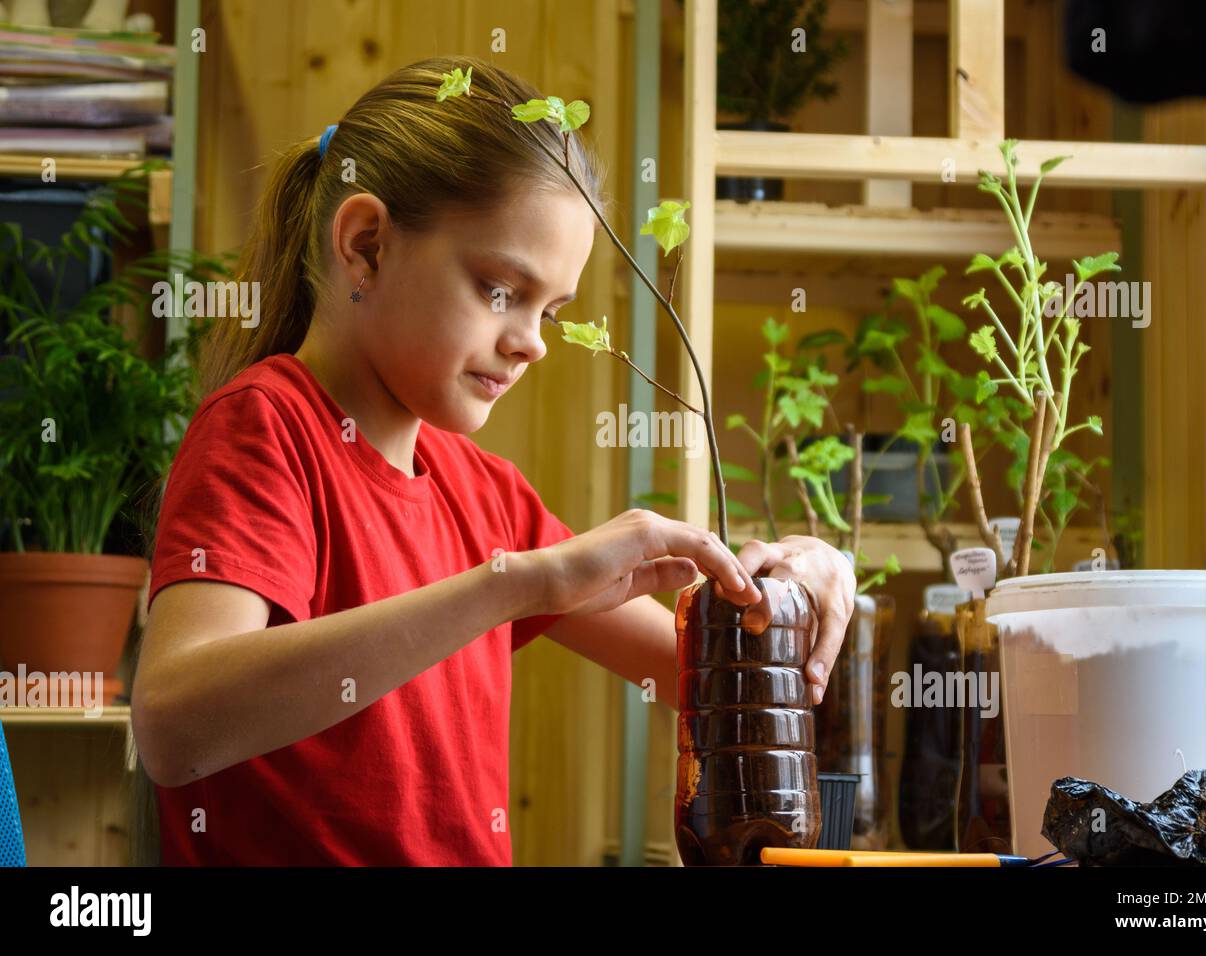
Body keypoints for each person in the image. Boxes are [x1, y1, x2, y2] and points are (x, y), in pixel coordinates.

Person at [130, 56, 856, 866]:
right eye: (502, 290)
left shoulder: (487, 497)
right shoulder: (265, 430)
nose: (533, 342)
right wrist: (514, 584)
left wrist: (795, 587)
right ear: (366, 245)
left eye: (553, 310)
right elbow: (172, 727)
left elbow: (696, 670)